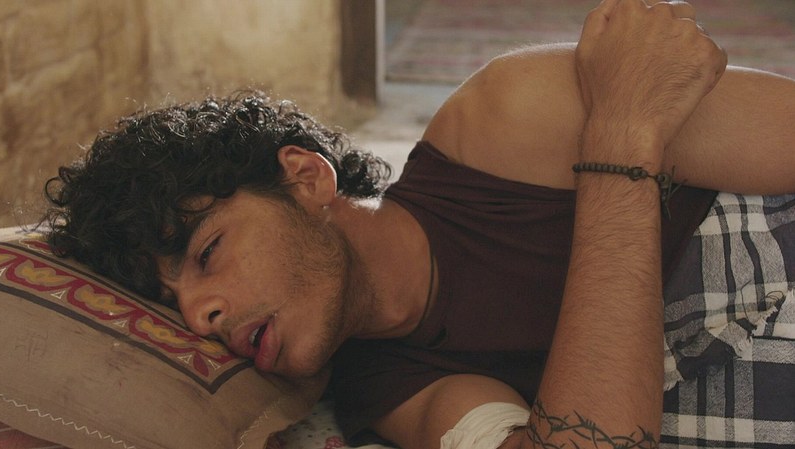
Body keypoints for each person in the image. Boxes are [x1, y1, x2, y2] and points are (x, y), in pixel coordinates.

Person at [42, 0, 795, 448]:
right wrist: (623, 140)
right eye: (176, 303)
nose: (200, 315)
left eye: (208, 251)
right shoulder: (387, 393)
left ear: (306, 179)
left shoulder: (506, 120)